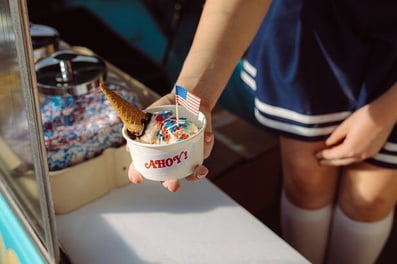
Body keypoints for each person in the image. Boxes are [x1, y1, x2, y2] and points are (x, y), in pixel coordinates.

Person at [128, 0, 397, 263]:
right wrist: (192, 99)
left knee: (369, 199)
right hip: (308, 28)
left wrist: (387, 111)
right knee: (305, 182)